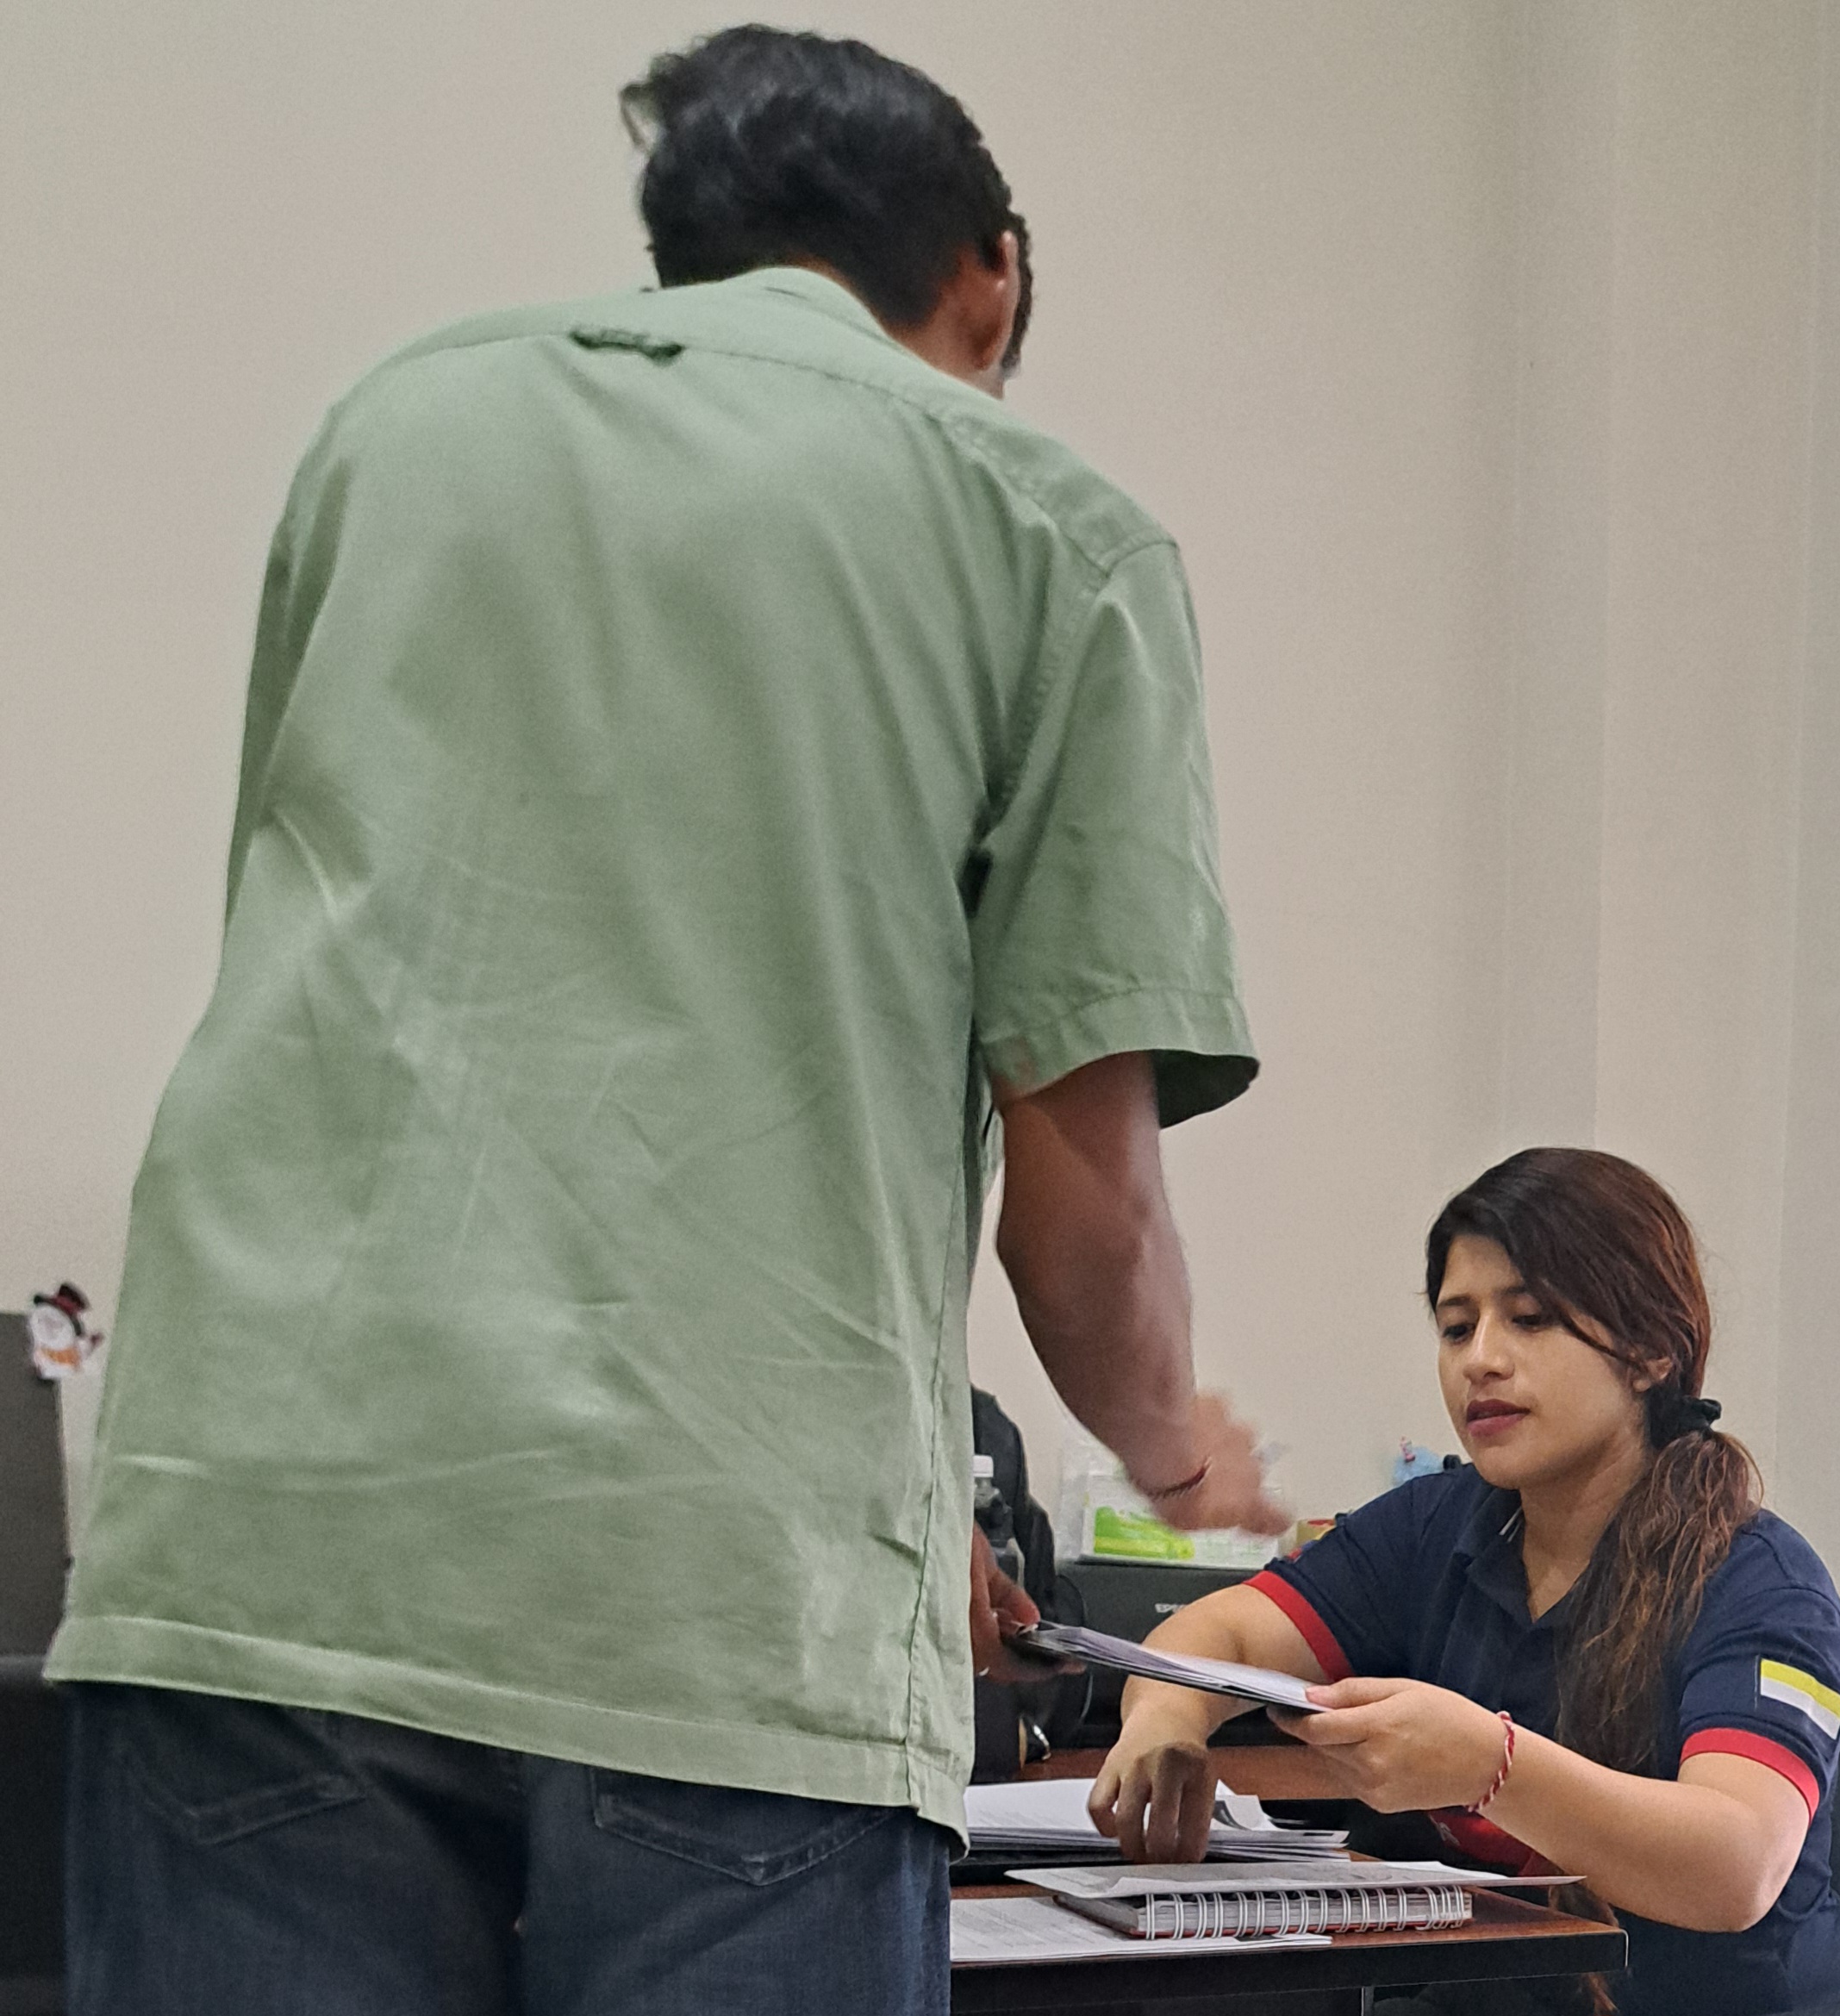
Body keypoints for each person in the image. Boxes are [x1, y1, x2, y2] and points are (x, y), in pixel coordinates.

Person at [47, 26, 1282, 2014]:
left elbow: (306, 949)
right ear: (990, 277)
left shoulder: (399, 425)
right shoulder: (1044, 523)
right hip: (729, 1613)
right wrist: (1180, 1466)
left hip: (265, 1554)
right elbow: (1086, 1224)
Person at [1092, 1149, 1840, 2016]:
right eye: (1457, 1327)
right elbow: (1219, 1632)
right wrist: (1167, 1718)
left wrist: (1489, 1766)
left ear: (1650, 1349)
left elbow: (1736, 1864)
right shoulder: (1436, 1523)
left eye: (1529, 1318)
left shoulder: (1763, 1583)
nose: (1479, 1360)